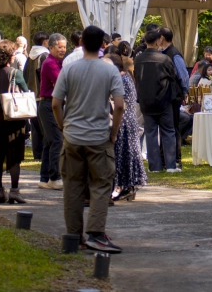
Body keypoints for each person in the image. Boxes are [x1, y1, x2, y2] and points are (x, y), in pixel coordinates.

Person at [53, 26, 126, 253]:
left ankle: (73, 236)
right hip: (98, 137)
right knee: (101, 185)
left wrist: (62, 125)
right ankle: (96, 233)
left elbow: (56, 103)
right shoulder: (110, 70)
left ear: (81, 42)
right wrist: (113, 132)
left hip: (73, 137)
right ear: (103, 44)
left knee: (72, 187)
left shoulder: (69, 69)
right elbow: (120, 106)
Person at [133, 29, 179, 173]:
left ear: (146, 41)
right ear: (158, 41)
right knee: (168, 132)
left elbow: (136, 78)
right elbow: (173, 76)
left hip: (146, 100)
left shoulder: (138, 59)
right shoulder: (164, 59)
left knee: (151, 133)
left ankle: (154, 167)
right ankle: (171, 165)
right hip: (163, 99)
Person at [0, 40, 29, 204]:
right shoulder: (15, 73)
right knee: (14, 154)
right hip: (13, 117)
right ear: (9, 56)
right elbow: (26, 92)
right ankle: (14, 190)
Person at [105, 53, 147, 202]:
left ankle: (127, 187)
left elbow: (119, 104)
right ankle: (128, 187)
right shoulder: (127, 76)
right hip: (129, 118)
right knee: (127, 153)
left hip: (123, 119)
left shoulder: (121, 79)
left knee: (124, 154)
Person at [38, 32, 66, 189]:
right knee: (57, 140)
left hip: (52, 104)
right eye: (59, 47)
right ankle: (54, 177)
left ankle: (44, 178)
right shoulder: (50, 63)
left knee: (50, 142)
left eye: (64, 47)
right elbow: (61, 83)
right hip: (49, 105)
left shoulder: (59, 63)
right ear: (51, 47)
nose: (62, 50)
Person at [159, 27, 190, 169]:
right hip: (166, 95)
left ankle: (176, 159)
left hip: (174, 95)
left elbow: (183, 75)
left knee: (173, 127)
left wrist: (184, 91)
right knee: (167, 127)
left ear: (162, 38)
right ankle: (166, 158)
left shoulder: (174, 54)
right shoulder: (164, 53)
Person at [26, 31, 49, 161]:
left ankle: (37, 153)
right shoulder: (44, 55)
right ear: (44, 41)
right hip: (42, 95)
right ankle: (44, 153)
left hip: (30, 95)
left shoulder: (30, 56)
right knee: (44, 127)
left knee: (35, 127)